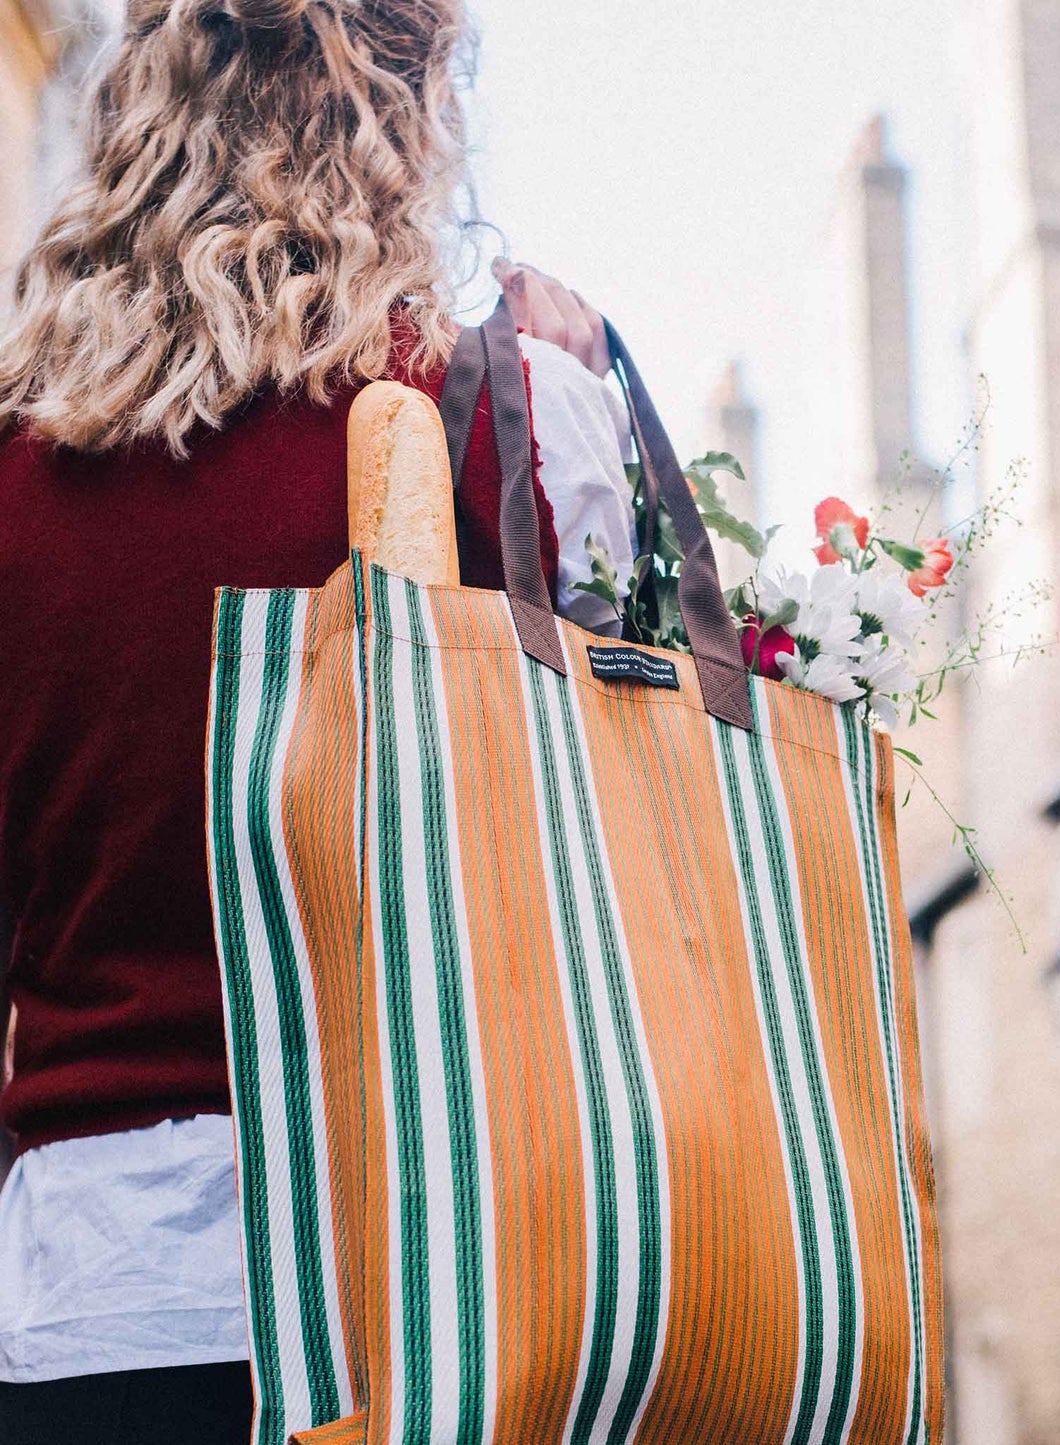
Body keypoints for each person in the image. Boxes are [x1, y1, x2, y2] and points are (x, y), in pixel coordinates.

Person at [0, 0, 636, 1435]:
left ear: (132, 120)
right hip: (441, 1286)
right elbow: (617, 814)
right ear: (406, 118)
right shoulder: (502, 416)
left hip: (88, 1289)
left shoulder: (14, 479)